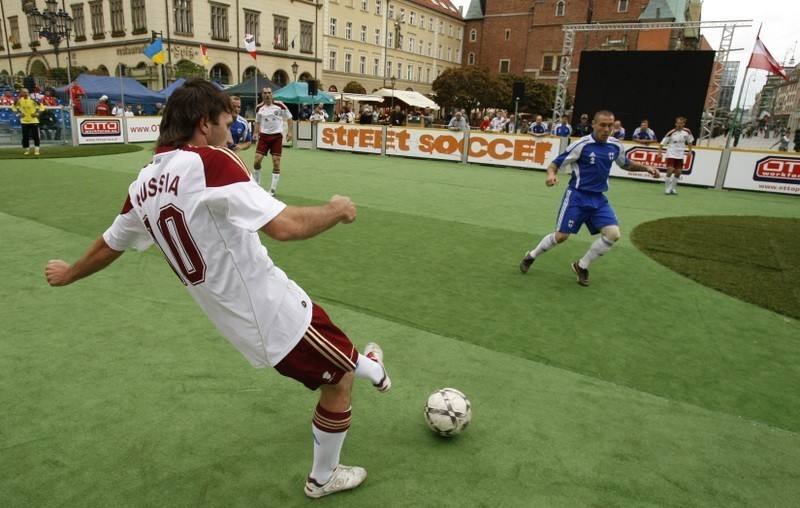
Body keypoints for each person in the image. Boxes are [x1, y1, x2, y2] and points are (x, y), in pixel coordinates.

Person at [44, 78, 390, 499]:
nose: (231, 133)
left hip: (240, 311)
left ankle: (373, 367)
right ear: (204, 123)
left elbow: (109, 243)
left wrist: (70, 273)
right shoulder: (208, 161)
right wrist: (337, 210)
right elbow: (284, 227)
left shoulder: (143, 185)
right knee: (337, 383)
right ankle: (323, 478)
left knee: (335, 347)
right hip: (267, 309)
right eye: (227, 123)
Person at [519, 110, 660, 286]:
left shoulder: (616, 146)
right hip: (577, 197)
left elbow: (626, 164)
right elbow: (555, 164)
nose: (607, 129)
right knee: (562, 236)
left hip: (598, 199)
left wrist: (647, 169)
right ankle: (531, 256)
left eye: (610, 125)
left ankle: (581, 265)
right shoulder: (582, 145)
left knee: (613, 234)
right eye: (602, 125)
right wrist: (550, 175)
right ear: (593, 124)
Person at [253, 87, 293, 195]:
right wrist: (255, 133)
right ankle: (257, 184)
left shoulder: (280, 105)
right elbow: (257, 122)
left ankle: (272, 189)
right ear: (262, 94)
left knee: (276, 161)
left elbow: (289, 118)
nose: (267, 95)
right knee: (257, 160)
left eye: (269, 93)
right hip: (264, 137)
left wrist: (290, 132)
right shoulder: (259, 107)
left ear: (272, 94)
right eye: (265, 93)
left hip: (276, 137)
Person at [657, 116, 694, 195]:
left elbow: (690, 141)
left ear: (684, 124)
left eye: (681, 123)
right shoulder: (671, 133)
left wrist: (690, 152)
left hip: (680, 155)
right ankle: (667, 188)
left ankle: (672, 188)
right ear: (675, 123)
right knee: (670, 171)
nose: (679, 125)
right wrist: (659, 153)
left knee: (678, 172)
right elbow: (661, 144)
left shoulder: (687, 131)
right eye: (678, 123)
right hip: (671, 154)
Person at [11, 88, 45, 155]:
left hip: (33, 121)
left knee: (36, 136)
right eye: (24, 92)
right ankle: (27, 150)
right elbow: (13, 107)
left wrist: (37, 113)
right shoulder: (19, 101)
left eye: (27, 92)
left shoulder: (33, 100)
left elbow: (42, 107)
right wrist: (19, 113)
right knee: (25, 136)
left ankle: (37, 150)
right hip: (24, 121)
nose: (26, 93)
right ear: (21, 93)